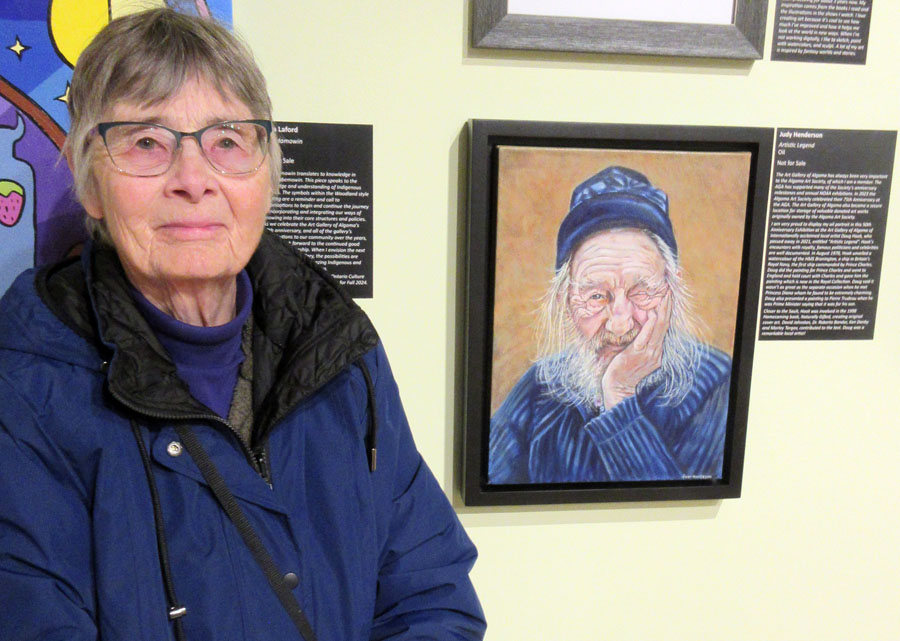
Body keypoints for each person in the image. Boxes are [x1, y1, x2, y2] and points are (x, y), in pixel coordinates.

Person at [0, 9, 485, 641]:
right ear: (89, 182)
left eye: (226, 141)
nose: (193, 179)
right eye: (146, 142)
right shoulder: (27, 382)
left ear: (266, 173)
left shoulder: (337, 348)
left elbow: (432, 597)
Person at [489, 166, 731, 484]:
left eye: (641, 292)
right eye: (596, 296)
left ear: (671, 291)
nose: (619, 325)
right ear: (566, 299)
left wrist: (619, 395)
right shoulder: (541, 387)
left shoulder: (716, 384)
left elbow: (673, 509)